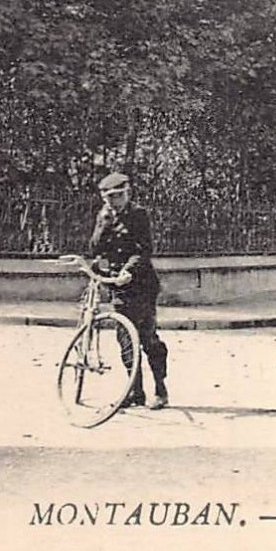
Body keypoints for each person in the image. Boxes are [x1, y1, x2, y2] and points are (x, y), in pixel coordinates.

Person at [88, 172, 168, 410]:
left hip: (141, 285)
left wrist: (129, 270)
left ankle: (160, 389)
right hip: (117, 286)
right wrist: (103, 223)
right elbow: (95, 248)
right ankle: (135, 392)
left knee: (146, 338)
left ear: (127, 193)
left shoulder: (138, 215)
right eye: (109, 197)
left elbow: (144, 249)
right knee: (125, 340)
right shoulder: (104, 216)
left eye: (118, 196)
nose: (113, 201)